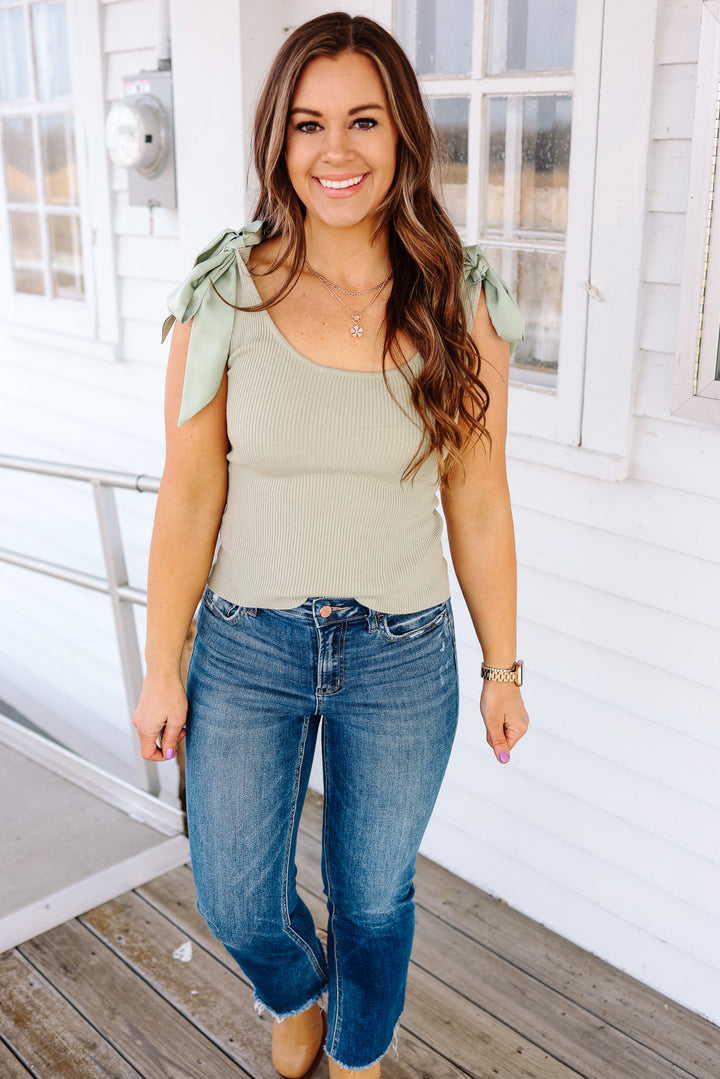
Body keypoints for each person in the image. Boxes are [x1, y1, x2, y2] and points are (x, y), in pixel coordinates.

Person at [132, 11, 529, 1079]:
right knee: (234, 893)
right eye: (309, 124)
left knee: (373, 895)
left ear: (403, 135)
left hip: (402, 654)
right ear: (280, 139)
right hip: (247, 646)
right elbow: (189, 494)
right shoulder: (224, 293)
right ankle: (295, 989)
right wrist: (163, 664)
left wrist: (503, 667)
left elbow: (479, 499)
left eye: (364, 120)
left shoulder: (460, 298)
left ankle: (357, 1053)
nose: (336, 150)